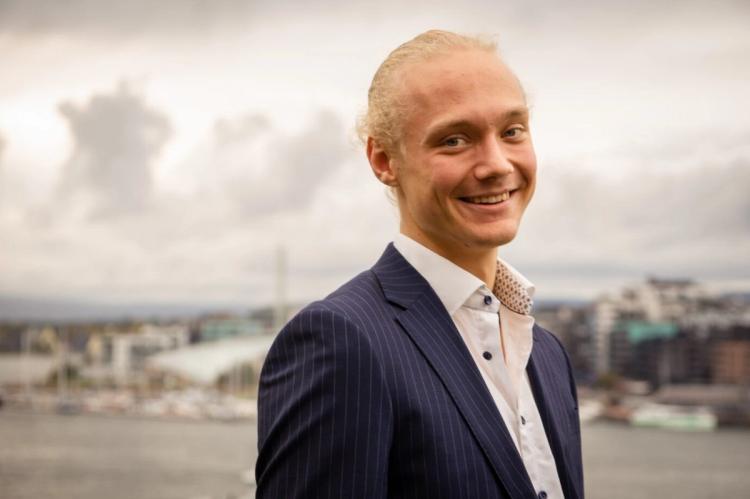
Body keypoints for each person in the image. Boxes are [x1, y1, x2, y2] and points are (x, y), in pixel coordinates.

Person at [255, 30, 583, 499]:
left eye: (512, 131)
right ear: (384, 160)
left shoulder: (548, 354)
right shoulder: (343, 341)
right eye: (455, 140)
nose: (496, 164)